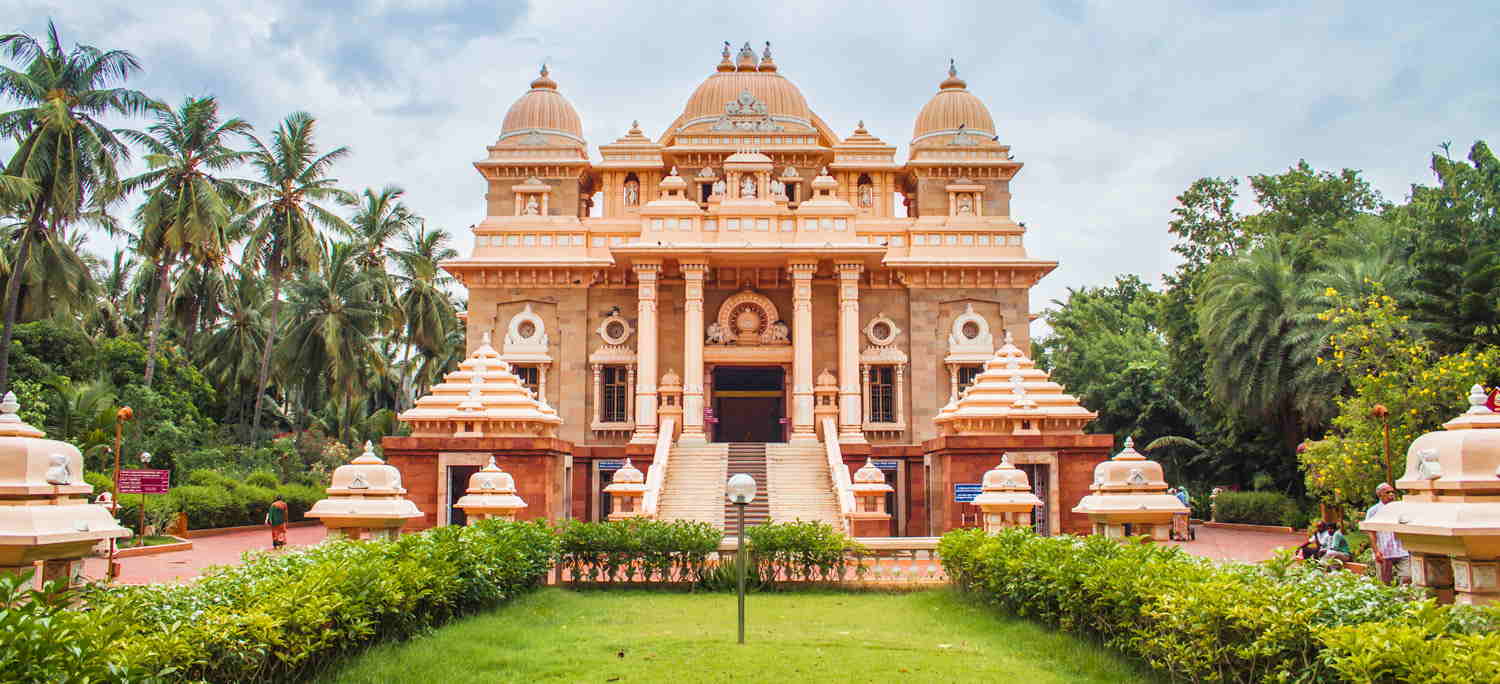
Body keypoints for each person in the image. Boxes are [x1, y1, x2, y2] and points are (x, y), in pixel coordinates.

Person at [1366, 483, 1410, 584]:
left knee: (1407, 577)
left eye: (1392, 492)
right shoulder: (1373, 511)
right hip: (1384, 552)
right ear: (1379, 495)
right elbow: (1371, 532)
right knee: (1384, 584)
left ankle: (1401, 598)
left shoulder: (1400, 508)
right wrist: (1376, 551)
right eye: (1387, 492)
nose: (1391, 494)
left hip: (1401, 550)